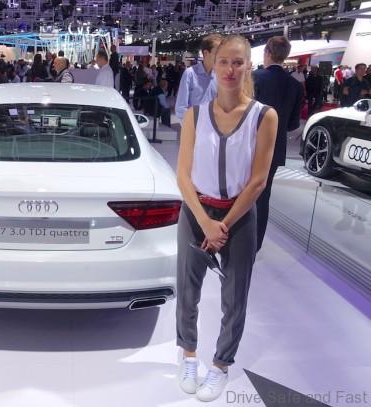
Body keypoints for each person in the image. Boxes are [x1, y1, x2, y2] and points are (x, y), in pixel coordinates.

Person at [176, 34, 278, 402]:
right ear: (213, 65)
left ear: (249, 65)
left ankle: (220, 365)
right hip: (196, 212)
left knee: (235, 298)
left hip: (240, 215)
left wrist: (225, 224)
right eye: (224, 62)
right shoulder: (195, 115)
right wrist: (205, 222)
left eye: (238, 62)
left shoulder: (264, 116)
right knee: (187, 290)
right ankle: (188, 355)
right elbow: (182, 175)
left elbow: (258, 181)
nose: (230, 69)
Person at [252, 36, 302, 251]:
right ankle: (255, 245)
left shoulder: (255, 77)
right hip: (275, 149)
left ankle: (236, 243)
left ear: (268, 52)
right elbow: (293, 124)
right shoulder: (295, 85)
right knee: (263, 196)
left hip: (249, 146)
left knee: (239, 192)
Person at [175, 34, 223, 125]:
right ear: (206, 53)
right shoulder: (190, 74)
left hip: (213, 128)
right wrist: (190, 128)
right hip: (195, 128)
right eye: (217, 53)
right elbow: (181, 108)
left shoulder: (219, 76)